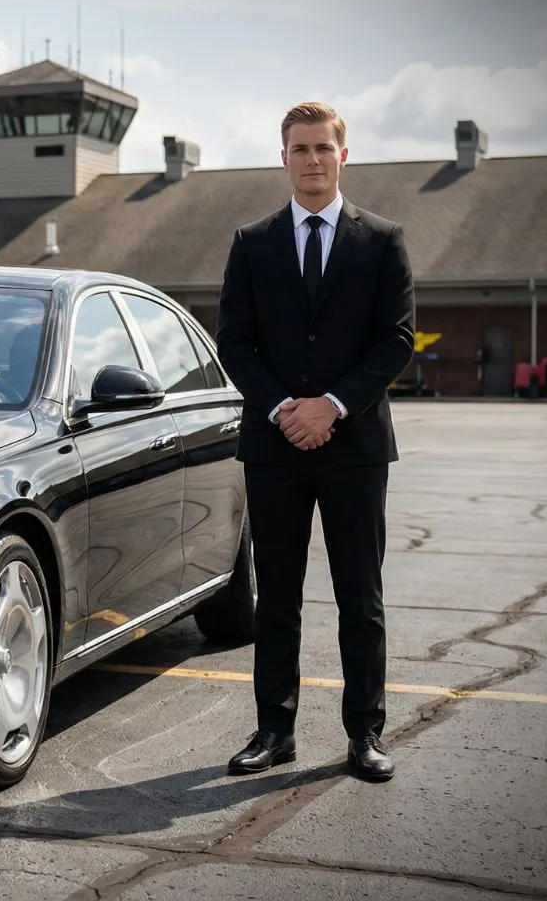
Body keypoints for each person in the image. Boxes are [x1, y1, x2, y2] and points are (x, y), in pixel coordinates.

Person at [214, 101, 415, 782]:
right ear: (284, 158)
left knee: (361, 597)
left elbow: (395, 340)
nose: (312, 160)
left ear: (343, 156)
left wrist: (330, 406)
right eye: (300, 149)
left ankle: (365, 734)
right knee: (277, 597)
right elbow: (234, 343)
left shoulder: (382, 240)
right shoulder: (252, 242)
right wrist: (283, 410)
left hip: (355, 447)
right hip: (275, 449)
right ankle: (275, 730)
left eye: (323, 148)